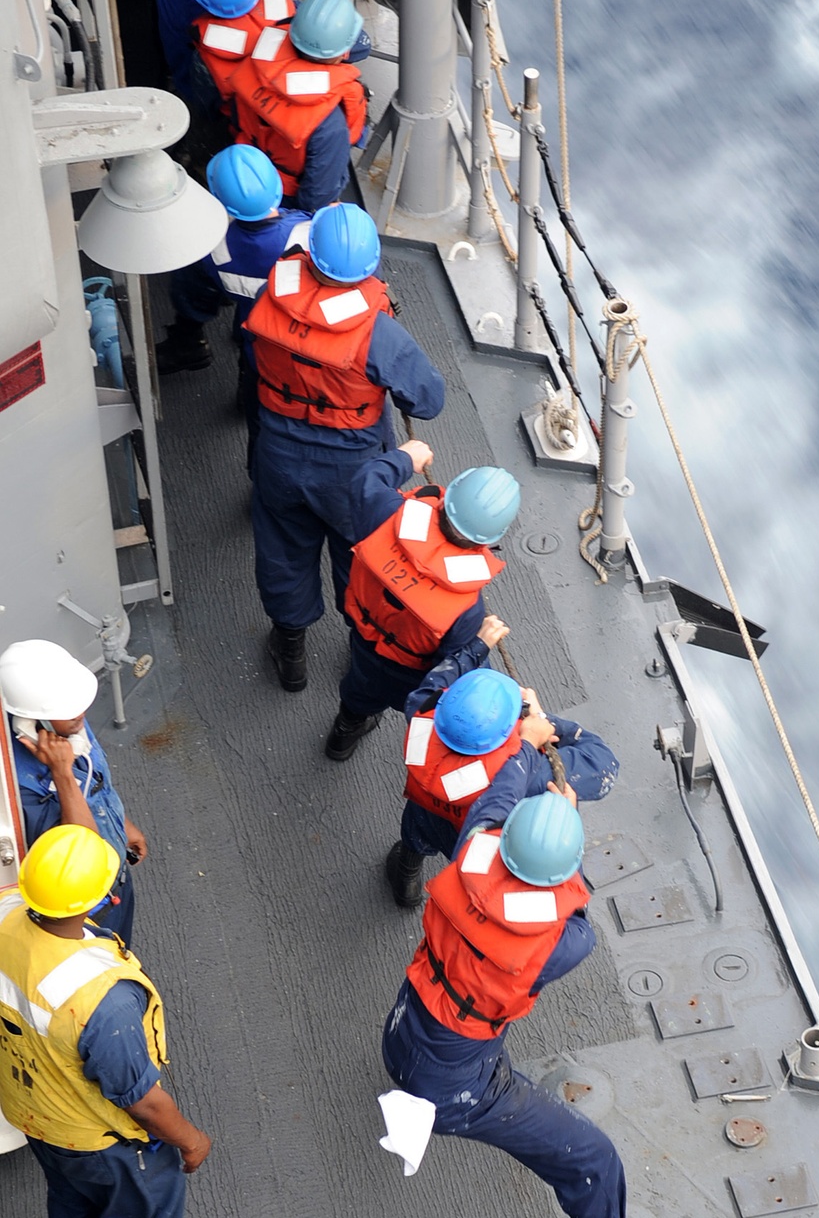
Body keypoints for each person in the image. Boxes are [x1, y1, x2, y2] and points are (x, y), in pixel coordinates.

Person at [382, 785, 690, 1218]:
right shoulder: (565, 945)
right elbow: (568, 908)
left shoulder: (471, 849)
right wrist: (565, 823)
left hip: (404, 1031)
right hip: (457, 1087)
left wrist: (532, 774)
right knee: (593, 1159)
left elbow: (495, 801)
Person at [0, 825, 212, 1218]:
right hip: (105, 1141)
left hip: (39, 1116)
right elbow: (141, 1100)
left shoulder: (5, 915)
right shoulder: (101, 997)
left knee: (72, 1208)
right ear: (97, 900)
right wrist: (190, 1141)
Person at [245, 202, 445, 689]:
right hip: (353, 468)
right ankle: (359, 642)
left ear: (309, 255)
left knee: (284, 549)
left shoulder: (269, 298)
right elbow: (428, 401)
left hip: (279, 454)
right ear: (369, 268)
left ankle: (290, 650)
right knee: (360, 555)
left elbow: (252, 353)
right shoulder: (380, 336)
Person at [329, 463, 521, 762]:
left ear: (445, 500)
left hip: (363, 635)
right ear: (487, 541)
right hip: (409, 672)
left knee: (360, 690)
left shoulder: (386, 513)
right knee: (398, 694)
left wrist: (405, 457)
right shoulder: (468, 611)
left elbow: (366, 480)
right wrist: (480, 644)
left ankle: (344, 731)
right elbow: (455, 668)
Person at [386, 665, 620, 905]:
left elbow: (434, 684)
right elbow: (603, 764)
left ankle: (407, 877)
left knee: (417, 832)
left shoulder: (422, 709)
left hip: (431, 811)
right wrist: (543, 721)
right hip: (483, 837)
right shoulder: (534, 772)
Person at [0, 640, 148, 947]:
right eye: (68, 709)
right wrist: (62, 773)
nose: (80, 713)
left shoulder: (67, 722)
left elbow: (96, 781)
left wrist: (122, 824)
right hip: (81, 911)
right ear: (29, 722)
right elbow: (83, 845)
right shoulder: (17, 786)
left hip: (113, 880)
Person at [156, 143, 311, 419]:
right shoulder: (309, 233)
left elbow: (196, 288)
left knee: (254, 366)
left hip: (254, 327)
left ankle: (242, 393)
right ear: (275, 186)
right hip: (303, 327)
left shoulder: (213, 248)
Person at [230, 0, 371, 212]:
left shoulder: (255, 66)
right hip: (290, 196)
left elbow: (237, 118)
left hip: (249, 170)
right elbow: (318, 195)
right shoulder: (330, 124)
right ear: (343, 53)